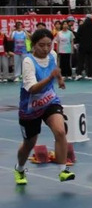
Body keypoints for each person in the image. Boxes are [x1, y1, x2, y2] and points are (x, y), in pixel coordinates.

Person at [14, 28, 75, 186]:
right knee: (29, 144)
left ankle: (63, 170)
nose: (46, 49)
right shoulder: (28, 62)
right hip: (30, 108)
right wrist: (50, 78)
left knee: (60, 131)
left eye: (49, 45)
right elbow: (33, 89)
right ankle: (19, 168)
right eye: (42, 45)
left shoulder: (52, 55)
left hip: (50, 101)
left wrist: (59, 79)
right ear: (33, 45)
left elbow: (55, 69)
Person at [75, 15, 92, 80]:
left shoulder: (81, 26)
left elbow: (77, 35)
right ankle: (90, 75)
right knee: (90, 61)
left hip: (82, 46)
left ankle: (79, 74)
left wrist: (80, 41)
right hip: (91, 46)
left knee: (80, 60)